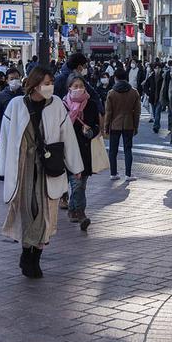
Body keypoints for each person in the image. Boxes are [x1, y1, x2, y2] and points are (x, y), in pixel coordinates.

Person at [0, 67, 83, 279]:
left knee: (46, 213)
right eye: (46, 82)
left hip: (48, 167)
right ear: (34, 84)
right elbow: (6, 139)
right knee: (27, 211)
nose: (50, 86)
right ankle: (28, 254)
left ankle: (34, 256)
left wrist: (76, 167)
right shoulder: (16, 105)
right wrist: (3, 170)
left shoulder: (56, 105)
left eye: (51, 82)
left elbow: (67, 137)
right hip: (23, 167)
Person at [63, 75, 100, 229]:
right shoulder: (63, 105)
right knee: (76, 183)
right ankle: (81, 213)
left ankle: (72, 210)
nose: (78, 89)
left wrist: (90, 131)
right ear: (69, 88)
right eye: (75, 86)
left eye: (81, 86)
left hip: (85, 150)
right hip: (69, 150)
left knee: (81, 184)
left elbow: (97, 126)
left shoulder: (91, 104)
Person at [104, 68, 141, 181]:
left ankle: (113, 173)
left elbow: (108, 112)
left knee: (113, 150)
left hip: (115, 124)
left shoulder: (111, 93)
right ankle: (128, 174)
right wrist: (135, 126)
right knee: (128, 149)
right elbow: (137, 112)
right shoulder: (134, 92)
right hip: (128, 124)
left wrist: (106, 126)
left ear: (115, 78)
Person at [0, 68, 24, 145]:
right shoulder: (1, 96)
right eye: (11, 79)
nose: (14, 81)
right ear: (7, 80)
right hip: (7, 132)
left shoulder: (24, 94)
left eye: (16, 78)